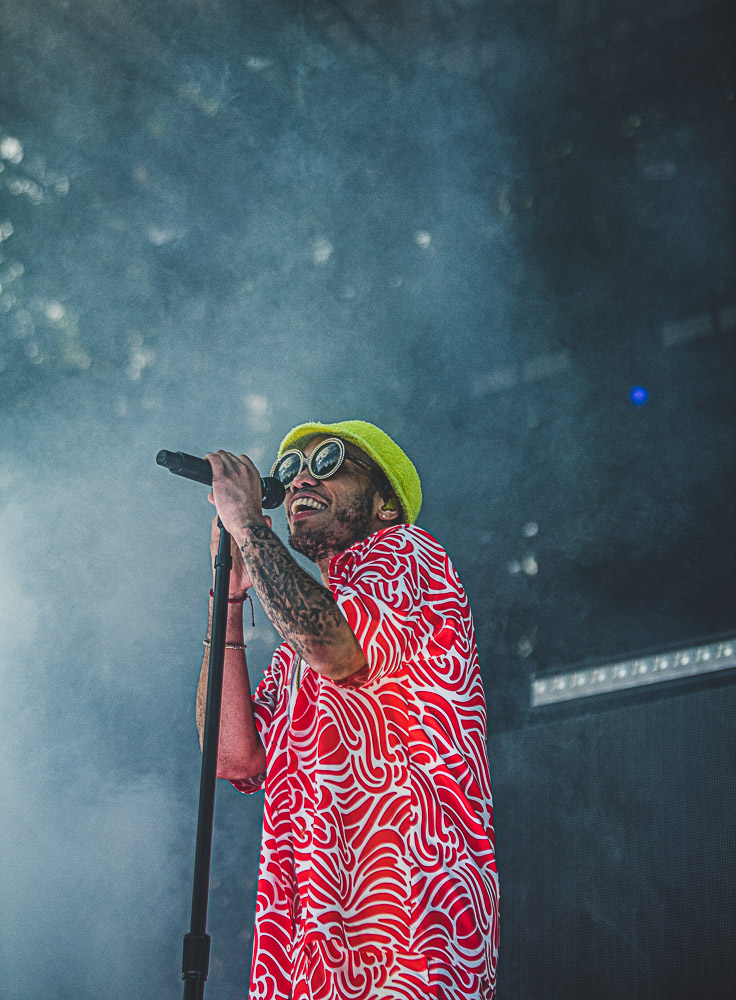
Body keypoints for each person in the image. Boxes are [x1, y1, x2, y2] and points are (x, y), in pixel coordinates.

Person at [197, 419, 499, 1000]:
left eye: (330, 460)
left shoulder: (410, 555)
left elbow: (337, 650)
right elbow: (233, 757)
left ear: (386, 501)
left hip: (405, 929)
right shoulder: (295, 654)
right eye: (289, 469)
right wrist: (228, 596)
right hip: (309, 943)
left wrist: (252, 525)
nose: (302, 477)